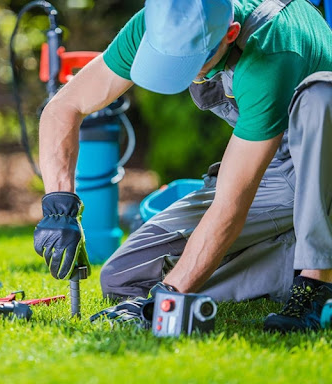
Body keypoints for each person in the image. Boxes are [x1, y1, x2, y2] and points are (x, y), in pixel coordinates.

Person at [33, 0, 332, 332]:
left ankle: (316, 282)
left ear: (230, 35)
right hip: (273, 166)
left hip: (323, 164)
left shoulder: (272, 50)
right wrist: (59, 208)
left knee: (321, 96)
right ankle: (296, 256)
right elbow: (64, 107)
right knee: (123, 276)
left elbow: (230, 207)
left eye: (191, 64)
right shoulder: (163, 19)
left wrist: (169, 297)